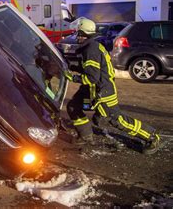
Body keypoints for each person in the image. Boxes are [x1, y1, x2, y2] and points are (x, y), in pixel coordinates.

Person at [65, 17, 161, 154]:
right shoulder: (91, 46)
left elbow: (92, 77)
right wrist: (70, 64)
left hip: (102, 91)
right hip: (95, 88)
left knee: (116, 120)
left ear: (83, 34)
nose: (76, 36)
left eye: (77, 33)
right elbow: (90, 69)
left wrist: (69, 75)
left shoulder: (90, 50)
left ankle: (151, 136)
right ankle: (85, 135)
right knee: (74, 106)